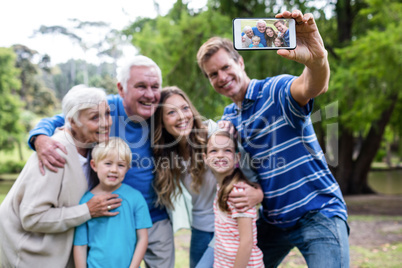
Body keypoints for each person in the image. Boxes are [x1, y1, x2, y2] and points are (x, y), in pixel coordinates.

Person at [196, 10, 349, 268]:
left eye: (225, 67)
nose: (221, 77)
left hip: (318, 212)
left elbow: (313, 86)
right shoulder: (228, 119)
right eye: (213, 74)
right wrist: (255, 192)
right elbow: (236, 171)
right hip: (273, 220)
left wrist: (317, 60)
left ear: (240, 63)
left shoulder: (274, 91)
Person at [27, 56, 175, 268]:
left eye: (155, 87)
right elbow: (58, 119)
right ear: (121, 89)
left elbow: (190, 123)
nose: (150, 94)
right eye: (141, 86)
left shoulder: (162, 112)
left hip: (154, 215)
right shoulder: (105, 109)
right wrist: (40, 138)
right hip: (106, 213)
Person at [0, 85, 121, 267]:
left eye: (107, 114)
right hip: (27, 254)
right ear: (72, 122)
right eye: (95, 117)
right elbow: (32, 217)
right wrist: (87, 211)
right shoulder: (55, 153)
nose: (106, 123)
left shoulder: (93, 147)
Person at [74, 137, 152, 268]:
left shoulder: (135, 198)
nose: (114, 170)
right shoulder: (86, 202)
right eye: (108, 163)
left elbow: (142, 239)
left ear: (127, 169)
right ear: (94, 165)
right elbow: (80, 244)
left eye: (121, 165)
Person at [204, 130, 264, 268]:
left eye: (227, 150)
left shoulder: (239, 193)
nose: (220, 155)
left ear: (237, 157)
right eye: (213, 151)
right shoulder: (221, 188)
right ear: (205, 158)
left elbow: (246, 243)